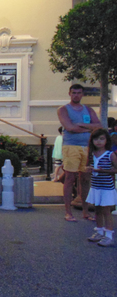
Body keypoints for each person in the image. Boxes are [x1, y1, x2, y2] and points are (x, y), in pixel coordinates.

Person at [57, 84, 102, 222]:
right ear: (69, 93)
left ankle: (85, 212)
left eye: (79, 93)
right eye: (74, 92)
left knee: (85, 179)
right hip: (71, 146)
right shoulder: (63, 109)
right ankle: (68, 212)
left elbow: (98, 125)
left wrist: (80, 126)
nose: (76, 95)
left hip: (87, 147)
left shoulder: (88, 109)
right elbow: (69, 127)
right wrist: (88, 128)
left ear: (82, 94)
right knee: (70, 178)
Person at [85, 128, 117, 247]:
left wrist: (101, 170)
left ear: (106, 140)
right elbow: (90, 167)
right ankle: (99, 232)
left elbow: (116, 169)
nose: (98, 141)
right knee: (97, 210)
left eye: (101, 139)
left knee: (106, 211)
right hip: (96, 187)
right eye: (96, 139)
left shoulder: (110, 154)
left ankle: (109, 236)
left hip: (106, 188)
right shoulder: (92, 154)